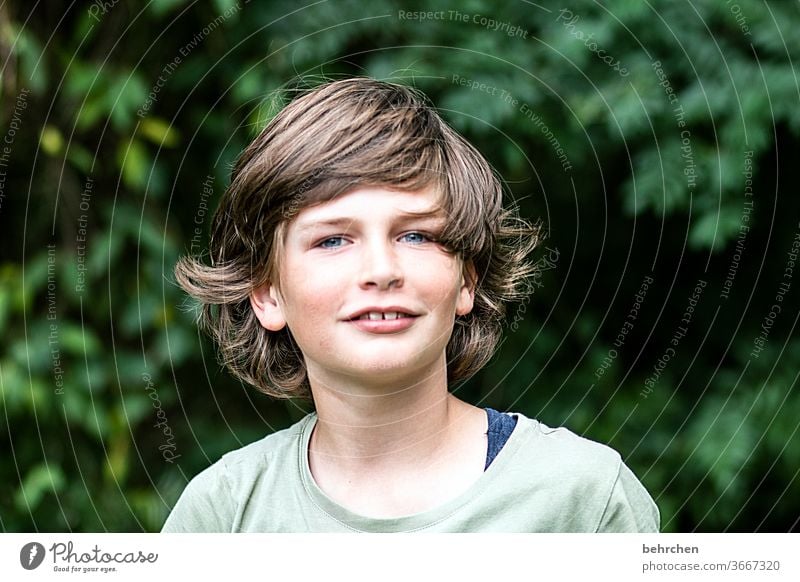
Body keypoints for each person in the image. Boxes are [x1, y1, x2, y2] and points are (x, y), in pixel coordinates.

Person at [162, 77, 659, 532]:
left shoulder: (585, 499)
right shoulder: (222, 514)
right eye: (333, 240)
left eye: (417, 235)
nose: (382, 270)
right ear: (268, 294)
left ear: (467, 279)